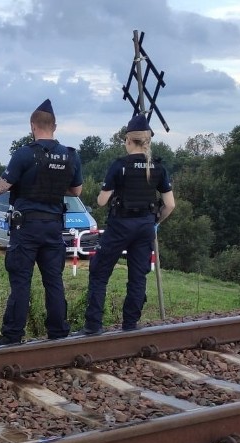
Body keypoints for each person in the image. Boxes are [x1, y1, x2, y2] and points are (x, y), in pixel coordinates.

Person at [0, 98, 83, 345]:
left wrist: (12, 182)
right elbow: (76, 191)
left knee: (21, 281)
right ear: (55, 126)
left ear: (33, 126)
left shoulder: (23, 154)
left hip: (26, 227)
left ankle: (12, 336)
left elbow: (2, 187)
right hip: (54, 227)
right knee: (53, 280)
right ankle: (58, 333)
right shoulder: (71, 156)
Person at [76, 114, 175, 335]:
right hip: (145, 226)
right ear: (147, 141)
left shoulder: (120, 165)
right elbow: (169, 205)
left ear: (128, 140)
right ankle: (130, 324)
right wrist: (155, 221)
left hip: (120, 225)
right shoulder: (158, 167)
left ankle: (93, 326)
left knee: (100, 272)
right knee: (137, 276)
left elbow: (101, 201)